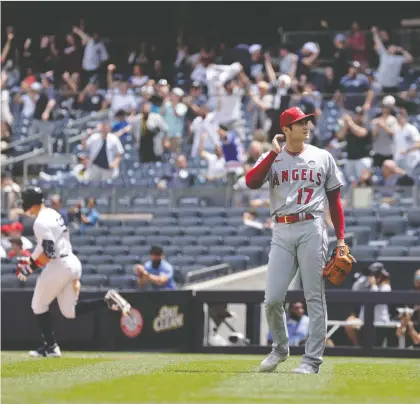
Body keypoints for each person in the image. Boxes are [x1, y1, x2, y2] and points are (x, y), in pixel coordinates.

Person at [246, 107, 346, 374]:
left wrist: (341, 239)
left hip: (312, 226)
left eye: (307, 121)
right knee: (272, 298)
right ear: (286, 130)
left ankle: (311, 361)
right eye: (299, 123)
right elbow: (251, 182)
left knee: (314, 296)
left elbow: (335, 203)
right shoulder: (272, 158)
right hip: (281, 229)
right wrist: (272, 154)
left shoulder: (322, 156)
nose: (306, 126)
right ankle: (280, 348)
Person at [15, 186, 132, 358]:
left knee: (38, 305)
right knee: (69, 312)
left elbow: (48, 252)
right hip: (71, 261)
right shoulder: (52, 213)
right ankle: (107, 300)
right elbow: (46, 246)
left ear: (29, 203)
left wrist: (28, 268)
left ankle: (51, 347)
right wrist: (32, 260)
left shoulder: (40, 222)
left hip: (59, 265)